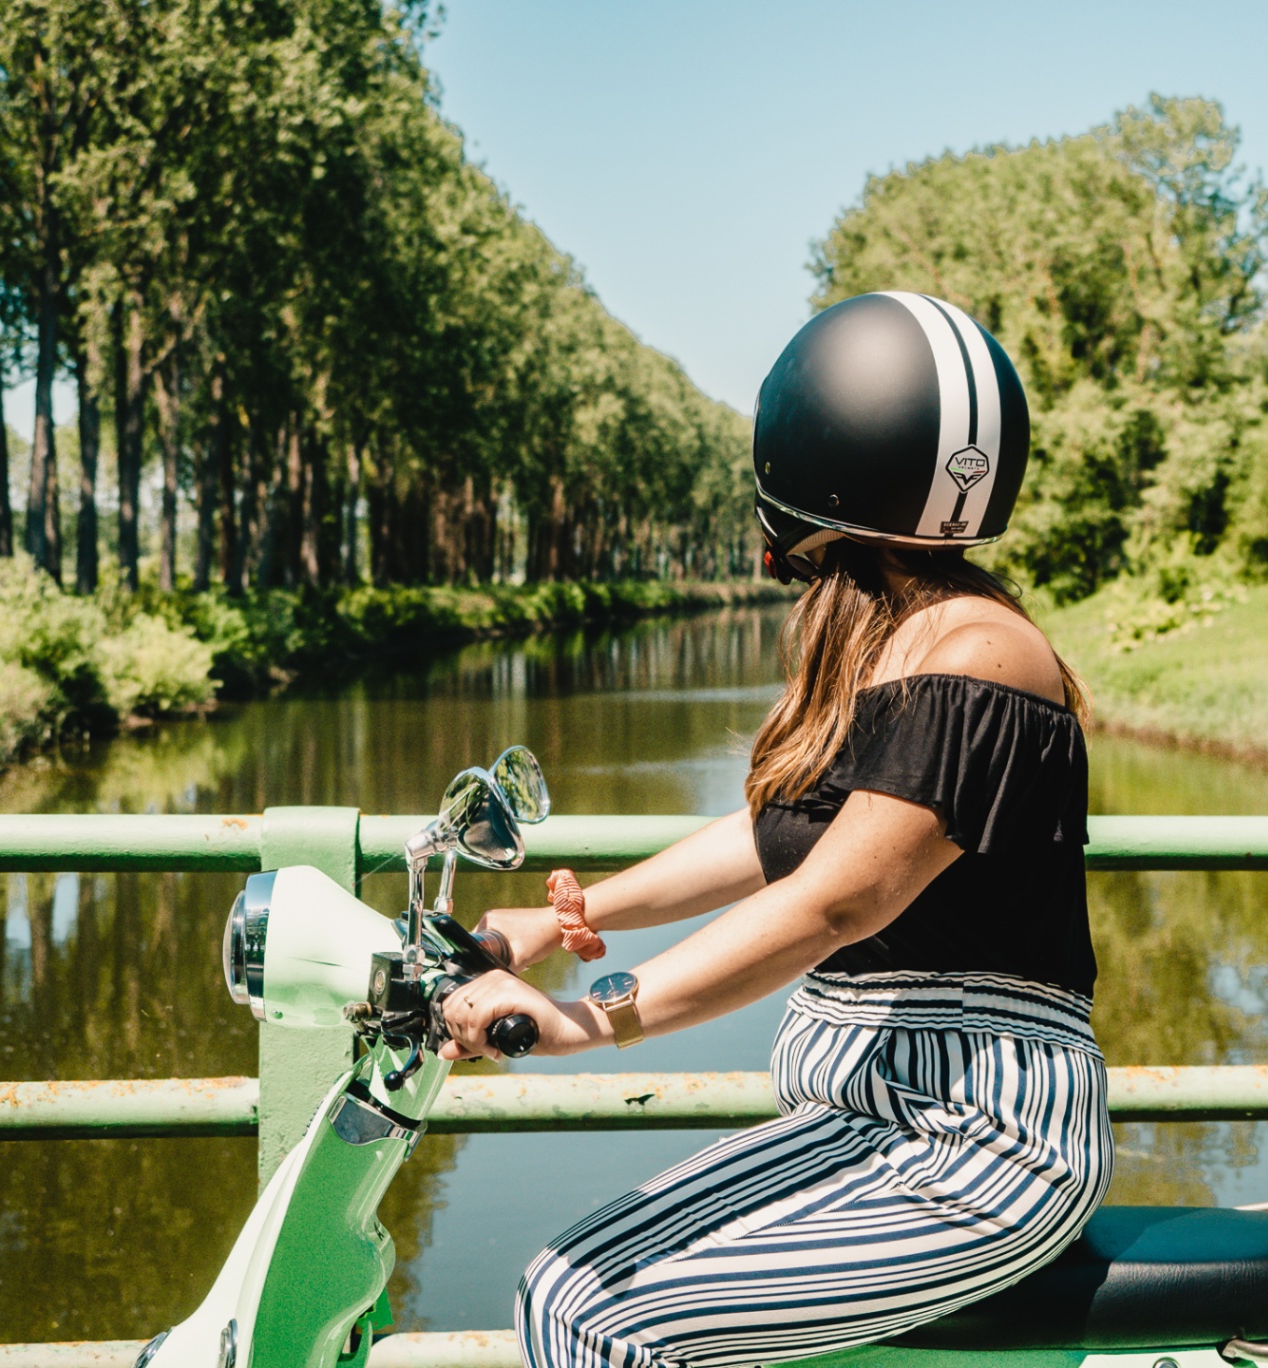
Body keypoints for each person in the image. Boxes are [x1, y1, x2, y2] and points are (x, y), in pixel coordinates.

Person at [440, 290, 1112, 1368]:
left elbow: (838, 899)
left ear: (810, 459)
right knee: (560, 1283)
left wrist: (592, 1019)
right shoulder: (900, 641)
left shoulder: (974, 648)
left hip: (975, 1146)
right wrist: (557, 918)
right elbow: (775, 841)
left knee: (605, 1319)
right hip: (861, 1127)